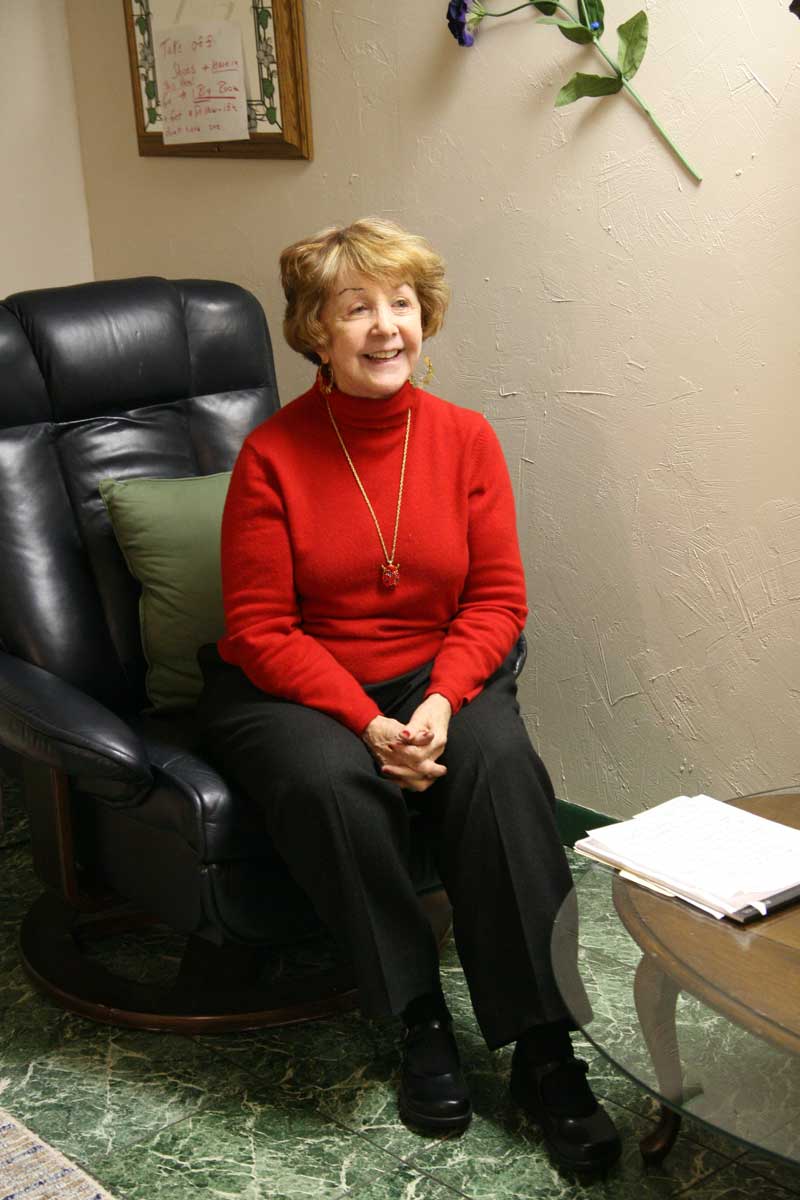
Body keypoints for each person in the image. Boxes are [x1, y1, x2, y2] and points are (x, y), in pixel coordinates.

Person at [196, 217, 621, 1174]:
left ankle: (545, 1049)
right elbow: (262, 630)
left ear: (424, 318)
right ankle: (417, 1015)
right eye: (357, 308)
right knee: (335, 785)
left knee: (504, 770)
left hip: (436, 673)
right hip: (296, 684)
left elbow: (498, 599)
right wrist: (367, 720)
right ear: (317, 330)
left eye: (402, 305)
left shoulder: (466, 440)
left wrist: (439, 701)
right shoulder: (270, 455)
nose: (385, 328)